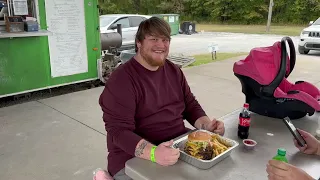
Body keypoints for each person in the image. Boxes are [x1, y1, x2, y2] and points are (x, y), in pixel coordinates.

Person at [98, 16, 225, 180]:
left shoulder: (174, 71)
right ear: (139, 42)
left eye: (165, 40)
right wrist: (153, 153)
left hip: (177, 145)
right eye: (154, 39)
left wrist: (206, 125)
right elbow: (118, 132)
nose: (161, 45)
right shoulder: (121, 80)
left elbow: (190, 104)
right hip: (131, 159)